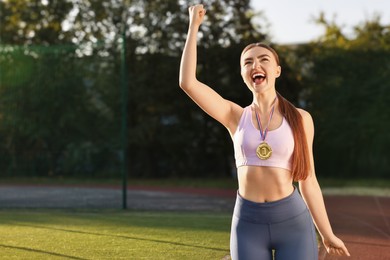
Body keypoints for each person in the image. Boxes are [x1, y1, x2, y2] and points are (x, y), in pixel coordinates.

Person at [179, 4, 350, 260]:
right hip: (247, 224)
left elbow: (308, 180)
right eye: (247, 62)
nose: (255, 65)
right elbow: (188, 82)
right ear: (243, 74)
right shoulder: (234, 116)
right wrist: (193, 27)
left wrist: (326, 233)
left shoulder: (301, 119)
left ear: (277, 71)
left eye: (263, 59)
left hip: (293, 223)